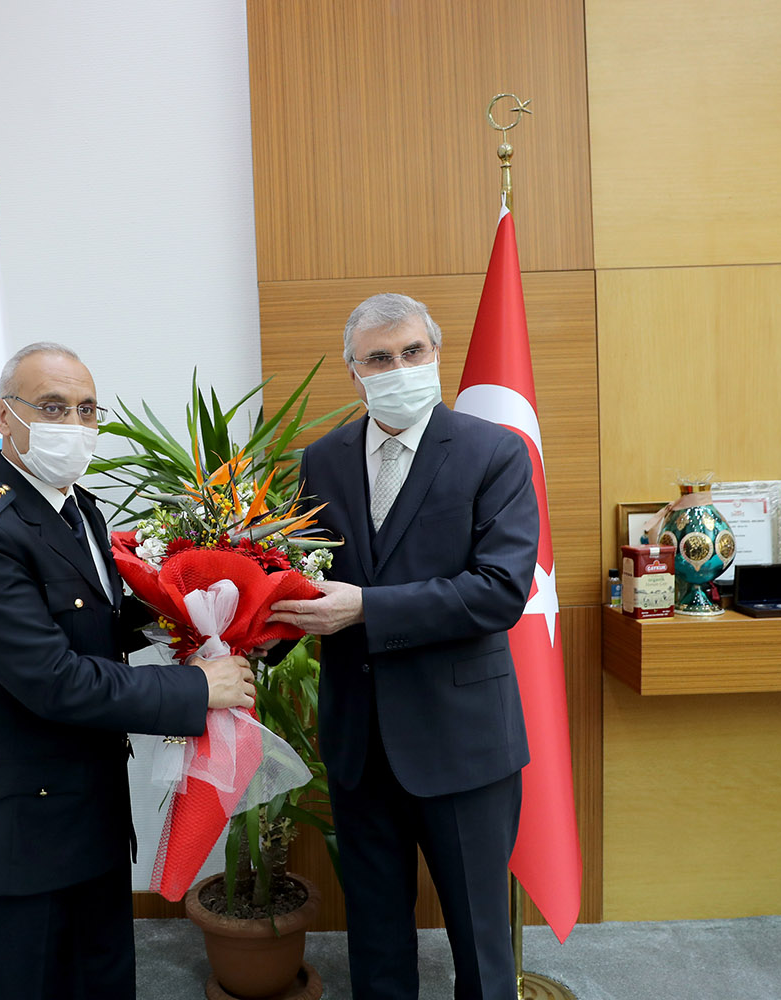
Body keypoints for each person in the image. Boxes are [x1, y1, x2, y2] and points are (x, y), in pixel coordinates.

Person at [0, 342, 256, 1000]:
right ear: (3, 415)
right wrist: (197, 687)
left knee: (104, 984)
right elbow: (53, 679)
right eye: (52, 407)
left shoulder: (79, 507)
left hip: (94, 819)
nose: (72, 426)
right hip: (21, 833)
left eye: (85, 409)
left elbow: (94, 621)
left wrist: (197, 612)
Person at [268, 294, 539, 1000]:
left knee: (480, 946)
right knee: (376, 942)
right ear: (354, 372)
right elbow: (304, 580)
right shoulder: (319, 463)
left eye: (412, 353)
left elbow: (499, 591)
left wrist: (366, 608)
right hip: (360, 745)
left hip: (463, 747)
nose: (399, 368)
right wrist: (228, 624)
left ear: (436, 356)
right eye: (380, 358)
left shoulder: (495, 452)